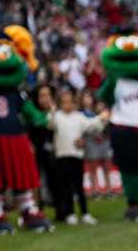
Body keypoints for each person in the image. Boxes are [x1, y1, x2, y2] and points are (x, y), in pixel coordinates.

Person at [47, 90, 99, 225]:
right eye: (64, 102)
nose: (67, 105)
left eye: (70, 102)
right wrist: (52, 112)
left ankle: (85, 213)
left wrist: (102, 118)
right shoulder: (57, 116)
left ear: (74, 103)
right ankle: (70, 213)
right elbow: (50, 125)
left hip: (76, 155)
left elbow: (91, 124)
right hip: (62, 156)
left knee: (79, 186)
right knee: (66, 187)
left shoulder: (79, 116)